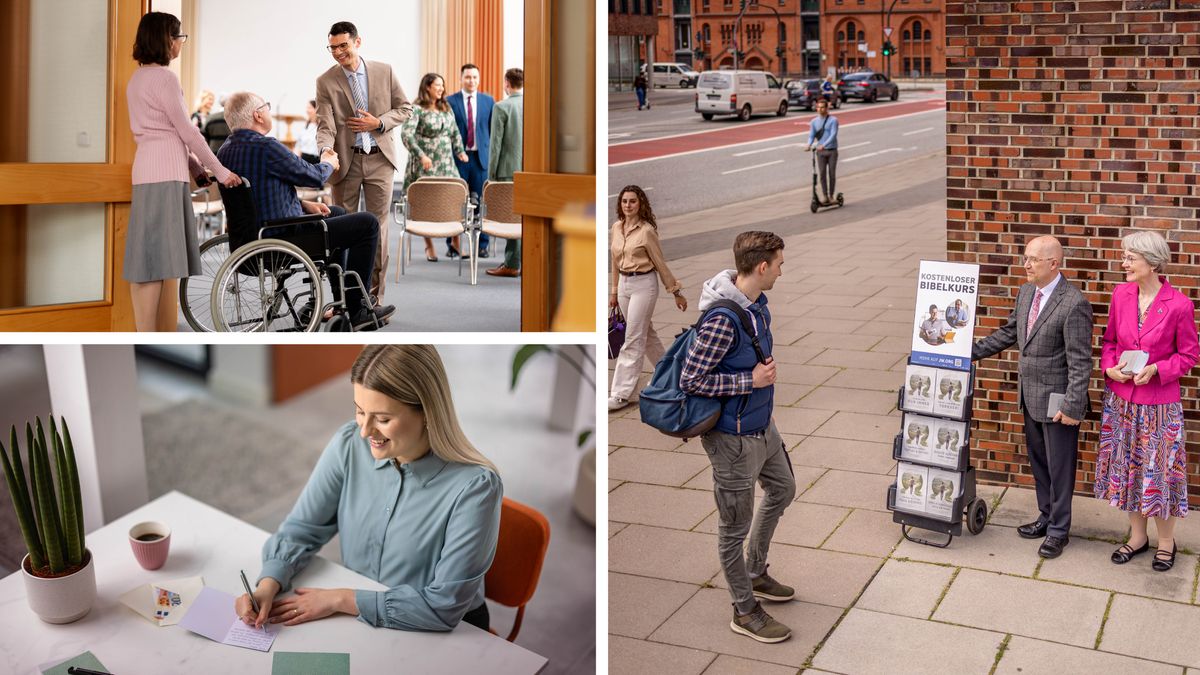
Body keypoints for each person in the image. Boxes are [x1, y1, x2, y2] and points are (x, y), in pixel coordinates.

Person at [235, 345, 502, 633]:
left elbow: (443, 608)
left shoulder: (476, 489)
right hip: (363, 620)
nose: (365, 431)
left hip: (445, 634)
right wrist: (268, 583)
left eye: (383, 419)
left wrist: (342, 599)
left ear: (427, 412)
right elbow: (302, 529)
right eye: (360, 411)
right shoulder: (350, 444)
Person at [680, 231, 795, 644]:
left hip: (762, 428)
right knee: (734, 526)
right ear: (761, 266)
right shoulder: (721, 319)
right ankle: (744, 610)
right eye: (779, 263)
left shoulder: (757, 306)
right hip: (732, 440)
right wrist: (750, 379)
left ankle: (756, 571)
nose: (782, 270)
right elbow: (690, 379)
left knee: (783, 489)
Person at [217, 91, 395, 331]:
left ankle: (341, 303)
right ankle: (357, 308)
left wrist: (303, 204)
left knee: (337, 213)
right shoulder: (267, 147)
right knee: (368, 223)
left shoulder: (225, 151)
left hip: (253, 238)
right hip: (287, 238)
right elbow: (312, 177)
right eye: (267, 106)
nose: (269, 110)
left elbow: (258, 196)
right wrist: (328, 164)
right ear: (257, 115)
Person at [972, 235, 1093, 559]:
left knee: (1060, 468)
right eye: (1025, 258)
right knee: (1040, 463)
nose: (1026, 264)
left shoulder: (1073, 303)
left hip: (1058, 402)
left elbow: (1080, 361)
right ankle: (1046, 516)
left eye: (1033, 260)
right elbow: (1010, 333)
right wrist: (970, 352)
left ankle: (1059, 531)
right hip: (1030, 396)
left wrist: (1072, 405)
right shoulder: (1027, 292)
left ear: (1054, 263)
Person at [125, 11, 240, 332]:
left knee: (149, 260)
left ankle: (147, 332)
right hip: (164, 177)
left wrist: (194, 167)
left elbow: (168, 132)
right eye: (179, 37)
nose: (181, 44)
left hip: (149, 172)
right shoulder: (164, 79)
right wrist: (219, 169)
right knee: (153, 264)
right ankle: (148, 334)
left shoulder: (138, 79)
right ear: (166, 39)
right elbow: (187, 132)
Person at [1096, 230, 1199, 571]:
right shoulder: (1121, 295)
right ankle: (1137, 537)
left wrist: (1156, 368)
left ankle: (1166, 542)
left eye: (1130, 258)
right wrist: (1110, 370)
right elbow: (1109, 342)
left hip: (1159, 407)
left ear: (1152, 262)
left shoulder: (1179, 305)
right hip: (1122, 402)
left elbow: (1189, 355)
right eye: (1124, 256)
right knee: (1128, 469)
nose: (1124, 263)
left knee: (1160, 473)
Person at [315, 20, 412, 304]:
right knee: (342, 228)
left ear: (358, 42)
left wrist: (379, 122)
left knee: (378, 228)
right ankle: (344, 296)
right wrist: (325, 151)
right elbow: (325, 124)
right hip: (346, 163)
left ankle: (373, 297)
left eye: (343, 45)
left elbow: (405, 108)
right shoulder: (325, 81)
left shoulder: (385, 71)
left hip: (380, 159)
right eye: (332, 48)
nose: (338, 52)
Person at [608, 186, 687, 411]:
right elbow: (614, 260)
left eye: (632, 201)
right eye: (624, 201)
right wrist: (613, 291)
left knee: (632, 339)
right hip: (624, 284)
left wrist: (676, 292)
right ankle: (672, 373)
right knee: (646, 333)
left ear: (640, 203)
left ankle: (622, 393)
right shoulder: (616, 227)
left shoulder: (647, 231)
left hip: (644, 285)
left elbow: (660, 264)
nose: (628, 205)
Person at [400, 73, 468, 263]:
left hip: (447, 163)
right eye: (437, 85)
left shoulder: (445, 107)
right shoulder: (417, 109)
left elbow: (454, 131)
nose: (441, 88)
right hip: (426, 164)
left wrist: (460, 151)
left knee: (452, 198)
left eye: (442, 85)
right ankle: (428, 244)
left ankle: (455, 240)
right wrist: (421, 155)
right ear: (427, 87)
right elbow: (406, 135)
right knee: (425, 203)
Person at [447, 63, 494, 258]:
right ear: (461, 79)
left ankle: (483, 245)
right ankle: (453, 244)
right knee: (456, 201)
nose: (471, 81)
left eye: (475, 77)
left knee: (482, 202)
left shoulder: (488, 101)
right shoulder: (450, 101)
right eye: (468, 77)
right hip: (458, 158)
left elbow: (492, 130)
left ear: (479, 79)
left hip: (480, 159)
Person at [485, 68, 524, 279]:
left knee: (512, 219)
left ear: (507, 83)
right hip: (530, 171)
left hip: (508, 170)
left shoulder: (502, 106)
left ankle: (511, 263)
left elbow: (495, 145)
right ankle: (525, 261)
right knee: (527, 217)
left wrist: (491, 175)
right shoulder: (534, 105)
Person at [806, 98, 839, 205]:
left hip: (831, 151)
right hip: (820, 153)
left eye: (822, 107)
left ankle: (831, 196)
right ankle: (825, 196)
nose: (820, 109)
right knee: (822, 174)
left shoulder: (833, 120)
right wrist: (809, 144)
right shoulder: (814, 122)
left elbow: (833, 135)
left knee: (832, 174)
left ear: (827, 108)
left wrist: (823, 145)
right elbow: (811, 135)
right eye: (818, 107)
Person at [293, 99, 320, 164]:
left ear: (316, 109)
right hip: (304, 159)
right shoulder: (305, 127)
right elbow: (298, 145)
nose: (307, 110)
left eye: (310, 108)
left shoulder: (321, 127)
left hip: (316, 160)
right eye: (307, 108)